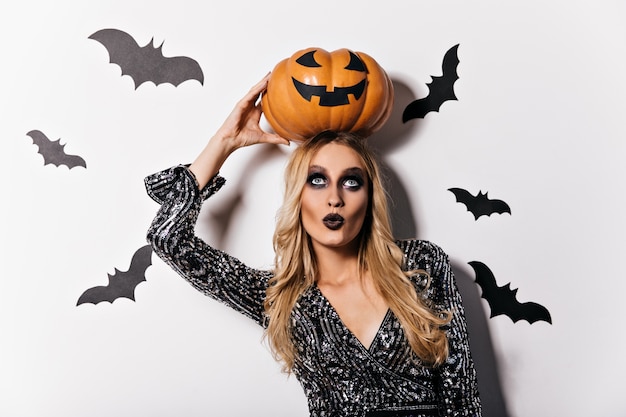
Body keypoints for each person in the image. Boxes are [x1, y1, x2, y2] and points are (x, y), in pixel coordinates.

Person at [145, 74, 482, 417]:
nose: (334, 198)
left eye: (351, 182)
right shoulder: (280, 296)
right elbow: (168, 238)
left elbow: (463, 399)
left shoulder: (420, 266)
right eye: (317, 180)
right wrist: (225, 141)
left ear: (369, 199)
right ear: (298, 197)